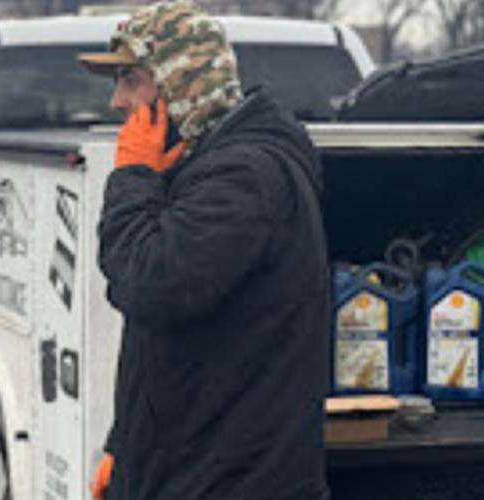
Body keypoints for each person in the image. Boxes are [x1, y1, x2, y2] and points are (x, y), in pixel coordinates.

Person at [78, 1, 333, 499]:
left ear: (180, 84)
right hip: (188, 472)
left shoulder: (242, 177)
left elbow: (147, 283)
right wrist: (123, 445)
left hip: (232, 483)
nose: (117, 101)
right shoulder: (202, 169)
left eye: (130, 80)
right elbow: (166, 342)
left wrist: (133, 173)